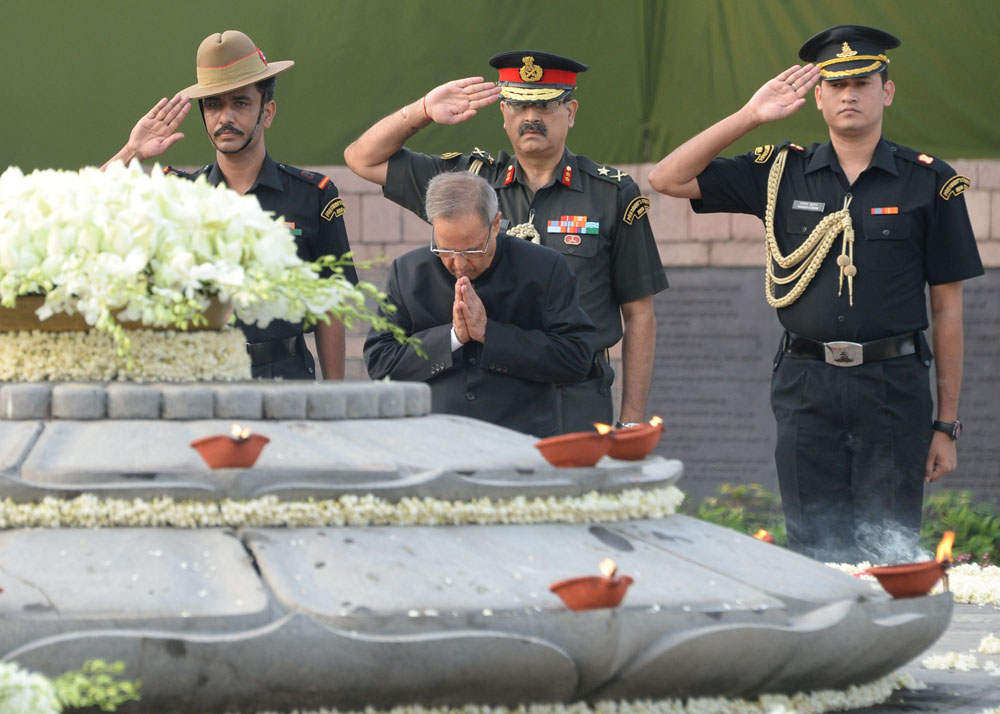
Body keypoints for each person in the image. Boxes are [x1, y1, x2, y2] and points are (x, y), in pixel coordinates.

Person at [648, 25, 983, 563]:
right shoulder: (783, 171)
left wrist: (946, 425)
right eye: (836, 85)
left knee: (889, 546)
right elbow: (667, 177)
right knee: (812, 544)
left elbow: (947, 310)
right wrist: (750, 116)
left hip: (893, 386)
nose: (850, 94)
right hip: (807, 382)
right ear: (819, 97)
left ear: (887, 91)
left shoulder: (929, 183)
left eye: (864, 82)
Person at [345, 51, 667, 433]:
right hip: (484, 392)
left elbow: (639, 312)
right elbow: (361, 159)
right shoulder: (466, 181)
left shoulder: (610, 194)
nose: (530, 118)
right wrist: (422, 111)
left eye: (545, 105)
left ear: (571, 112)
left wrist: (631, 420)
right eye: (516, 105)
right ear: (503, 115)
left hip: (571, 390)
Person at [103, 30, 357, 380]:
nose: (225, 117)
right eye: (213, 104)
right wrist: (131, 152)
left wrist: (334, 396)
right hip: (199, 376)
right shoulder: (176, 194)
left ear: (266, 113)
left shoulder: (311, 195)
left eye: (240, 103)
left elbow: (332, 305)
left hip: (284, 376)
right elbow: (89, 208)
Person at [364, 172, 596, 437]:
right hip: (431, 439)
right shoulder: (408, 272)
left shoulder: (545, 268)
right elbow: (380, 363)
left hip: (520, 438)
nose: (459, 264)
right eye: (446, 250)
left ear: (495, 224)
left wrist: (490, 334)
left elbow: (577, 359)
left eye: (473, 250)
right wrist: (452, 338)